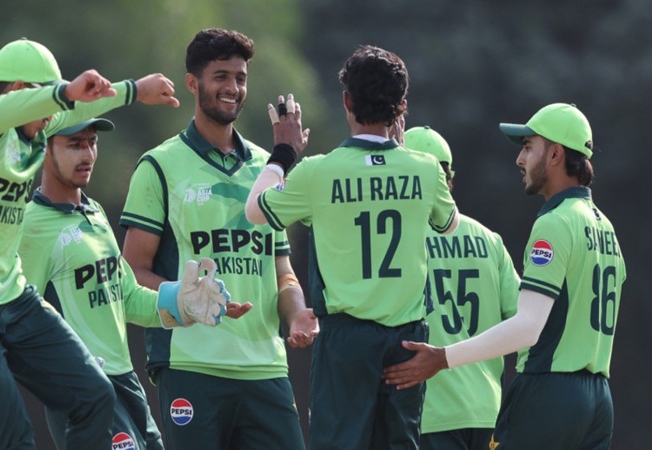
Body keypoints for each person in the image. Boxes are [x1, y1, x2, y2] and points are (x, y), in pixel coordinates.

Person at [0, 37, 225, 450]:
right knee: (15, 436)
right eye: (46, 110)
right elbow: (0, 113)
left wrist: (132, 90)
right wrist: (63, 92)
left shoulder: (89, 209)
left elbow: (125, 294)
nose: (50, 122)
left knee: (95, 397)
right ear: (19, 91)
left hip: (7, 295)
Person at [245, 45, 460, 449]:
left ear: (347, 100)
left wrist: (283, 154)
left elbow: (255, 210)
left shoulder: (317, 171)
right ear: (401, 108)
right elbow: (449, 225)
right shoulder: (426, 168)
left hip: (346, 341)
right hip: (407, 339)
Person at [382, 103, 626, 449]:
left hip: (550, 393)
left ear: (555, 154)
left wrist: (442, 357)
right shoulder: (606, 227)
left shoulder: (555, 222)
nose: (519, 159)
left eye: (528, 147)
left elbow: (527, 326)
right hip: (599, 399)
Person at [120, 28, 318, 450]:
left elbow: (281, 269)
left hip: (265, 368)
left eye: (240, 78)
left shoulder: (267, 168)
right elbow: (132, 272)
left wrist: (297, 313)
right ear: (193, 83)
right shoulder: (159, 166)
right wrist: (190, 299)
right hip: (191, 365)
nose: (233, 88)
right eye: (221, 76)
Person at [403, 126, 520, 450]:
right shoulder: (489, 239)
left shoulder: (397, 239)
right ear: (448, 178)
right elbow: (525, 321)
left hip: (428, 413)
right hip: (488, 411)